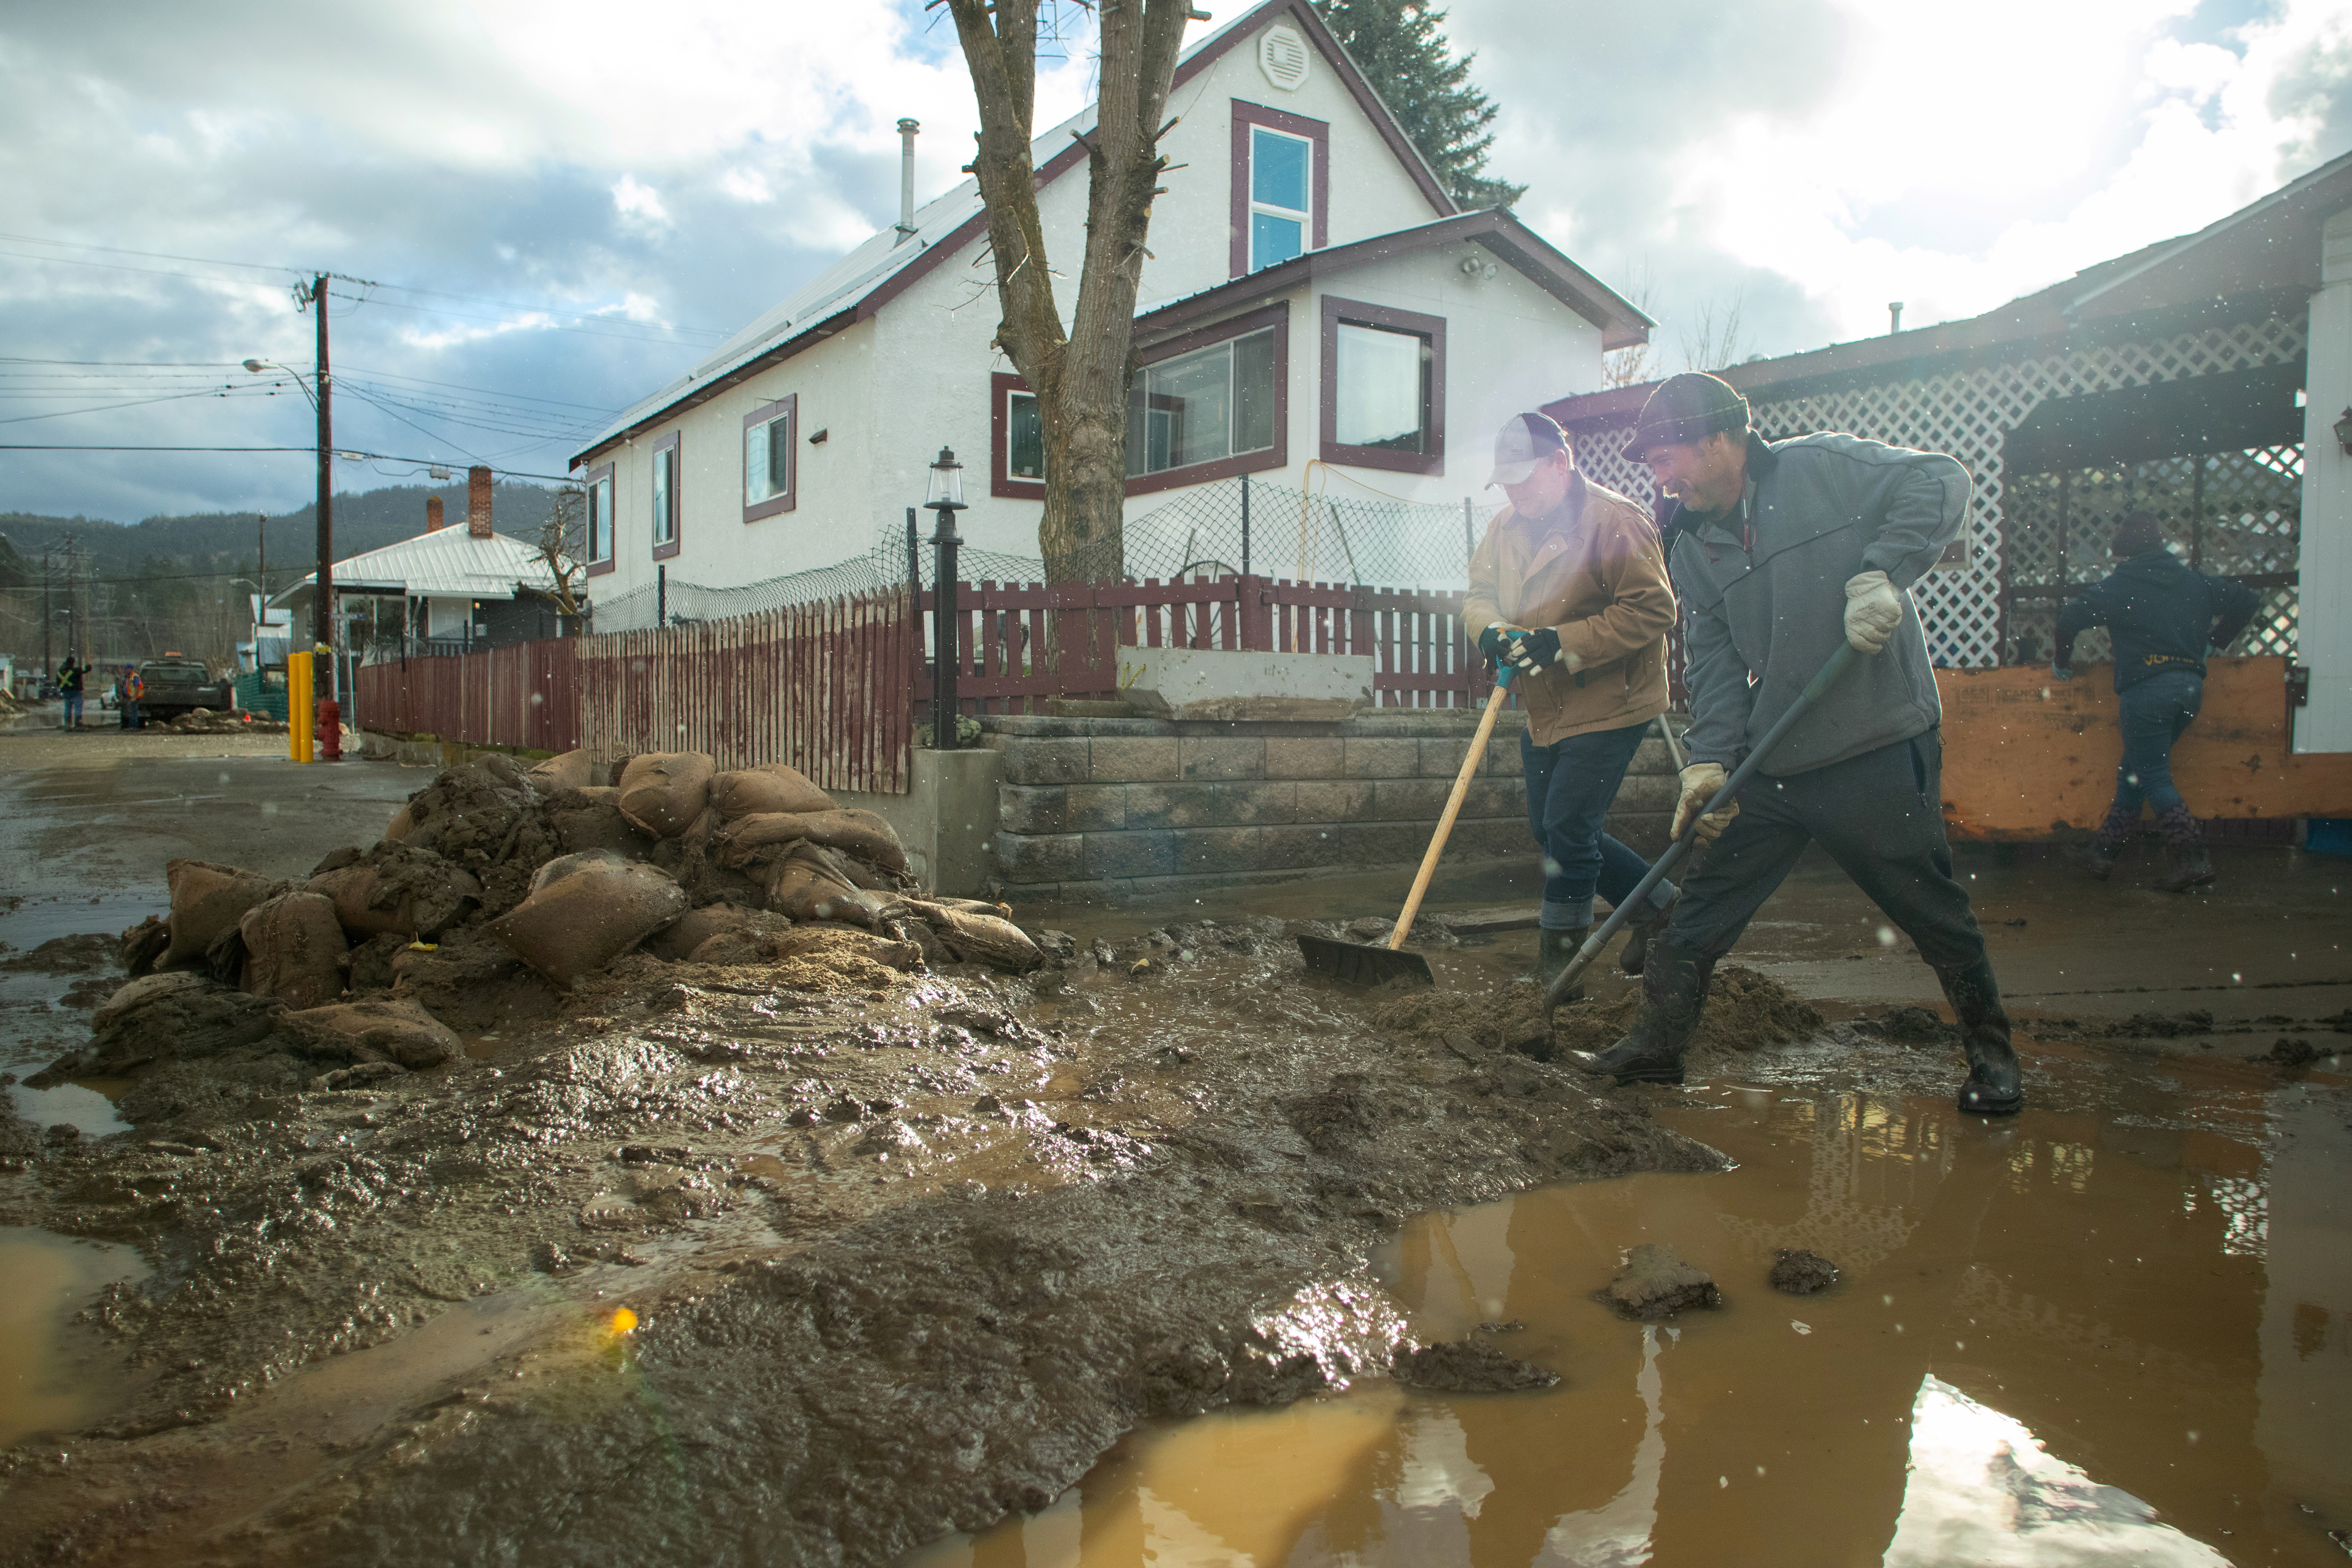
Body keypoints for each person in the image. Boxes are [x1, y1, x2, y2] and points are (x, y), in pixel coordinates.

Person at [1575, 372, 2022, 1116]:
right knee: (1698, 911)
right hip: (1774, 760)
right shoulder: (1690, 545)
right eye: (1651, 466)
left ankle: (1993, 1058)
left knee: (1928, 909)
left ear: (1719, 441)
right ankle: (1654, 1048)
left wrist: (1884, 569)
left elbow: (1941, 479)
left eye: (1664, 458)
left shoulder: (1822, 469)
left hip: (1873, 740)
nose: (1659, 479)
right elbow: (1715, 665)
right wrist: (1708, 761)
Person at [1464, 411, 1680, 994]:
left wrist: (1561, 643)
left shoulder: (1615, 522)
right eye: (1505, 482)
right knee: (1550, 828)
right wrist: (1490, 631)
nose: (1514, 493)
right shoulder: (1505, 527)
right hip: (1544, 705)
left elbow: (1654, 611)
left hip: (1613, 699)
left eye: (1524, 479)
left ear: (1560, 465)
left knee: (1567, 827)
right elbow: (1479, 593)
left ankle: (1561, 972)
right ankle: (1660, 905)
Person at [2053, 509, 2258, 892]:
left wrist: (2061, 662)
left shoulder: (2118, 587)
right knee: (2136, 770)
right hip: (2189, 689)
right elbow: (2248, 600)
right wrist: (2217, 641)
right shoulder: (2193, 582)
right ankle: (2103, 854)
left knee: (2153, 775)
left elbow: (2068, 620)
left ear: (2124, 549)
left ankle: (2194, 860)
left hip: (2146, 690)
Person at [56, 657, 89, 731]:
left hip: (66, 693)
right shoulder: (74, 671)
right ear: (73, 663)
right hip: (76, 692)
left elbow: (58, 683)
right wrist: (90, 663)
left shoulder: (60, 672)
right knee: (78, 708)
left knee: (67, 708)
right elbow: (86, 669)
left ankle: (67, 725)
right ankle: (78, 725)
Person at [119, 664, 144, 730]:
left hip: (135, 698)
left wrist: (134, 697)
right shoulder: (129, 677)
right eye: (125, 669)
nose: (126, 670)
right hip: (130, 698)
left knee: (133, 712)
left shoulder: (135, 677)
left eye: (127, 669)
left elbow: (137, 687)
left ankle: (134, 727)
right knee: (131, 712)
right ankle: (132, 726)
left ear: (131, 669)